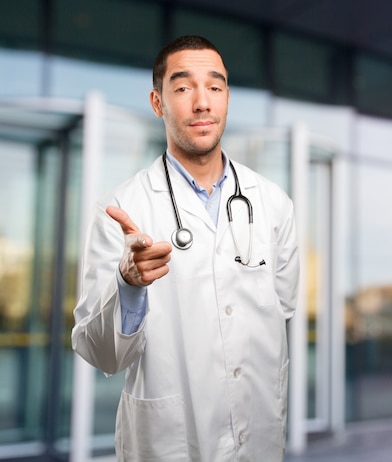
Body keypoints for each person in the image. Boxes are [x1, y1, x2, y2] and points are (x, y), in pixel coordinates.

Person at [71, 35, 300, 461]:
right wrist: (128, 285)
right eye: (183, 88)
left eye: (215, 87)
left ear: (227, 98)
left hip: (261, 440)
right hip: (167, 444)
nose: (202, 103)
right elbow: (99, 351)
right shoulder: (121, 208)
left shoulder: (272, 203)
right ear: (157, 103)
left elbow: (281, 309)